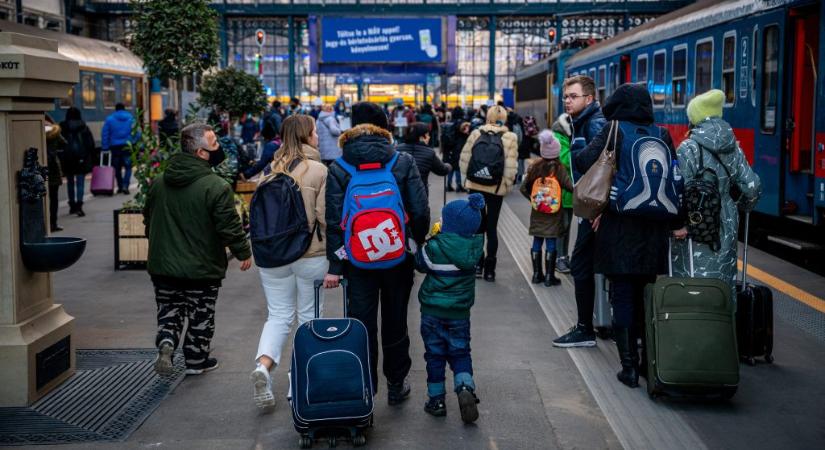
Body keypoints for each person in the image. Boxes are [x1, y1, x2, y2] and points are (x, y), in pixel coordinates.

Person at [324, 102, 430, 405]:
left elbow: (333, 220)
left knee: (361, 322)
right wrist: (416, 242)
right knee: (396, 319)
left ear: (350, 128)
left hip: (357, 262)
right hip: (397, 256)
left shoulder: (340, 167)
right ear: (385, 126)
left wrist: (336, 263)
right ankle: (396, 384)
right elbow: (420, 210)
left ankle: (364, 387)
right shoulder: (401, 161)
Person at [573, 82, 677, 388]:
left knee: (623, 297)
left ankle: (628, 367)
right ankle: (647, 363)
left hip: (619, 225)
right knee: (645, 296)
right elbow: (675, 177)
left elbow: (583, 162)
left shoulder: (613, 130)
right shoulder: (662, 133)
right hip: (654, 229)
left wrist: (578, 144)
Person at [144, 123, 252, 376]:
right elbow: (228, 225)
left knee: (169, 309)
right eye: (214, 144)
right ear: (201, 153)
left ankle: (167, 340)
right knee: (200, 315)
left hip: (163, 265)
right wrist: (243, 251)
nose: (219, 148)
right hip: (201, 267)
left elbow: (149, 219)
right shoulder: (215, 186)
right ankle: (196, 361)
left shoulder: (159, 183)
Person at [249, 115, 328, 410]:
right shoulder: (319, 171)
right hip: (310, 256)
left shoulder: (269, 171)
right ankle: (299, 382)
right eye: (316, 132)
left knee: (278, 316)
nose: (318, 137)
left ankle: (263, 367)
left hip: (273, 257)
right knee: (309, 319)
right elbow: (325, 219)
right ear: (307, 136)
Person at [671, 89, 762, 291]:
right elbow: (753, 187)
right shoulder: (734, 148)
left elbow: (679, 192)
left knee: (693, 280)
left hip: (696, 224)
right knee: (723, 280)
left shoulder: (689, 148)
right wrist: (737, 207)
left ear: (694, 118)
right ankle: (723, 319)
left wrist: (680, 224)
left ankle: (696, 319)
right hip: (726, 221)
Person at [414, 193, 485, 423]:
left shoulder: (435, 247)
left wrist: (432, 238)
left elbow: (419, 263)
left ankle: (436, 401)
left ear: (450, 224)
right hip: (459, 314)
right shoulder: (476, 249)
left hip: (432, 313)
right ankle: (465, 388)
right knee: (461, 352)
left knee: (434, 356)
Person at [552, 75, 607, 348]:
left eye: (573, 96)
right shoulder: (582, 122)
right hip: (591, 208)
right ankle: (596, 323)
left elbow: (604, 170)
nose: (567, 101)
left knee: (582, 265)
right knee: (587, 265)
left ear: (589, 99)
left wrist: (600, 209)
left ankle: (586, 328)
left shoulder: (594, 124)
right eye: (565, 96)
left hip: (594, 210)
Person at [459, 105, 518, 282]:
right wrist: (505, 187)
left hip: (476, 186)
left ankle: (478, 264)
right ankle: (490, 271)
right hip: (496, 189)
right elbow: (510, 168)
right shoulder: (510, 137)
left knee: (478, 227)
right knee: (491, 229)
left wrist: (467, 181)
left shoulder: (476, 133)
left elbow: (464, 160)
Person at [520, 130, 573, 287]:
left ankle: (537, 275)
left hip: (537, 213)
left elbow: (523, 188)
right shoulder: (559, 168)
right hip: (554, 214)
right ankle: (550, 277)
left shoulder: (535, 167)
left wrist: (534, 199)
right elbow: (570, 187)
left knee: (537, 241)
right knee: (551, 241)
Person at [397, 122, 451, 198]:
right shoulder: (429, 152)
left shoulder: (397, 149)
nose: (429, 137)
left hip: (399, 193)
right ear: (421, 137)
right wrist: (448, 166)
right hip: (420, 194)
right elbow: (442, 170)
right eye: (427, 135)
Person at [59, 107, 95, 217]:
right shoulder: (83, 126)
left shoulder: (62, 127)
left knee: (70, 182)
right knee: (80, 183)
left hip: (68, 158)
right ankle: (79, 205)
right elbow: (90, 144)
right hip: (81, 158)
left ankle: (72, 205)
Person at [551, 113, 574, 274]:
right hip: (560, 190)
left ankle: (564, 256)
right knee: (561, 227)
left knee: (567, 227)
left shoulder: (568, 137)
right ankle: (559, 258)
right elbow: (565, 160)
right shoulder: (557, 138)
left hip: (569, 192)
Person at [102, 103, 140, 195]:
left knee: (117, 168)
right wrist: (133, 141)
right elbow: (137, 132)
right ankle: (125, 186)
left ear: (115, 109)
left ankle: (119, 186)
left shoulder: (109, 119)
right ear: (124, 109)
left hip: (115, 147)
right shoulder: (131, 119)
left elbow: (105, 134)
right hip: (127, 146)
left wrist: (105, 147)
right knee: (128, 167)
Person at [45, 115, 65, 232]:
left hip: (40, 166)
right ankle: (53, 224)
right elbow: (64, 143)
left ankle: (44, 224)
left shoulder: (34, 127)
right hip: (53, 167)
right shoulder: (54, 130)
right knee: (54, 198)